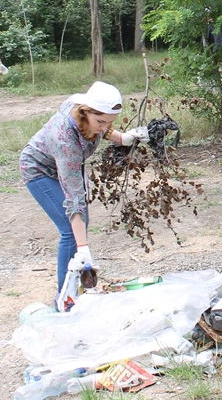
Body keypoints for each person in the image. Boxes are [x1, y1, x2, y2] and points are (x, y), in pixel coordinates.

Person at [20, 81, 149, 308]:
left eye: (109, 122)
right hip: (38, 170)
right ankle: (66, 300)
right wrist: (83, 249)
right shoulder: (66, 140)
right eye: (100, 122)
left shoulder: (88, 108)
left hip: (63, 167)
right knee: (71, 230)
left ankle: (74, 291)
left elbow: (102, 125)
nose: (104, 127)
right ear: (85, 112)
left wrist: (123, 137)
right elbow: (74, 196)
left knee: (79, 225)